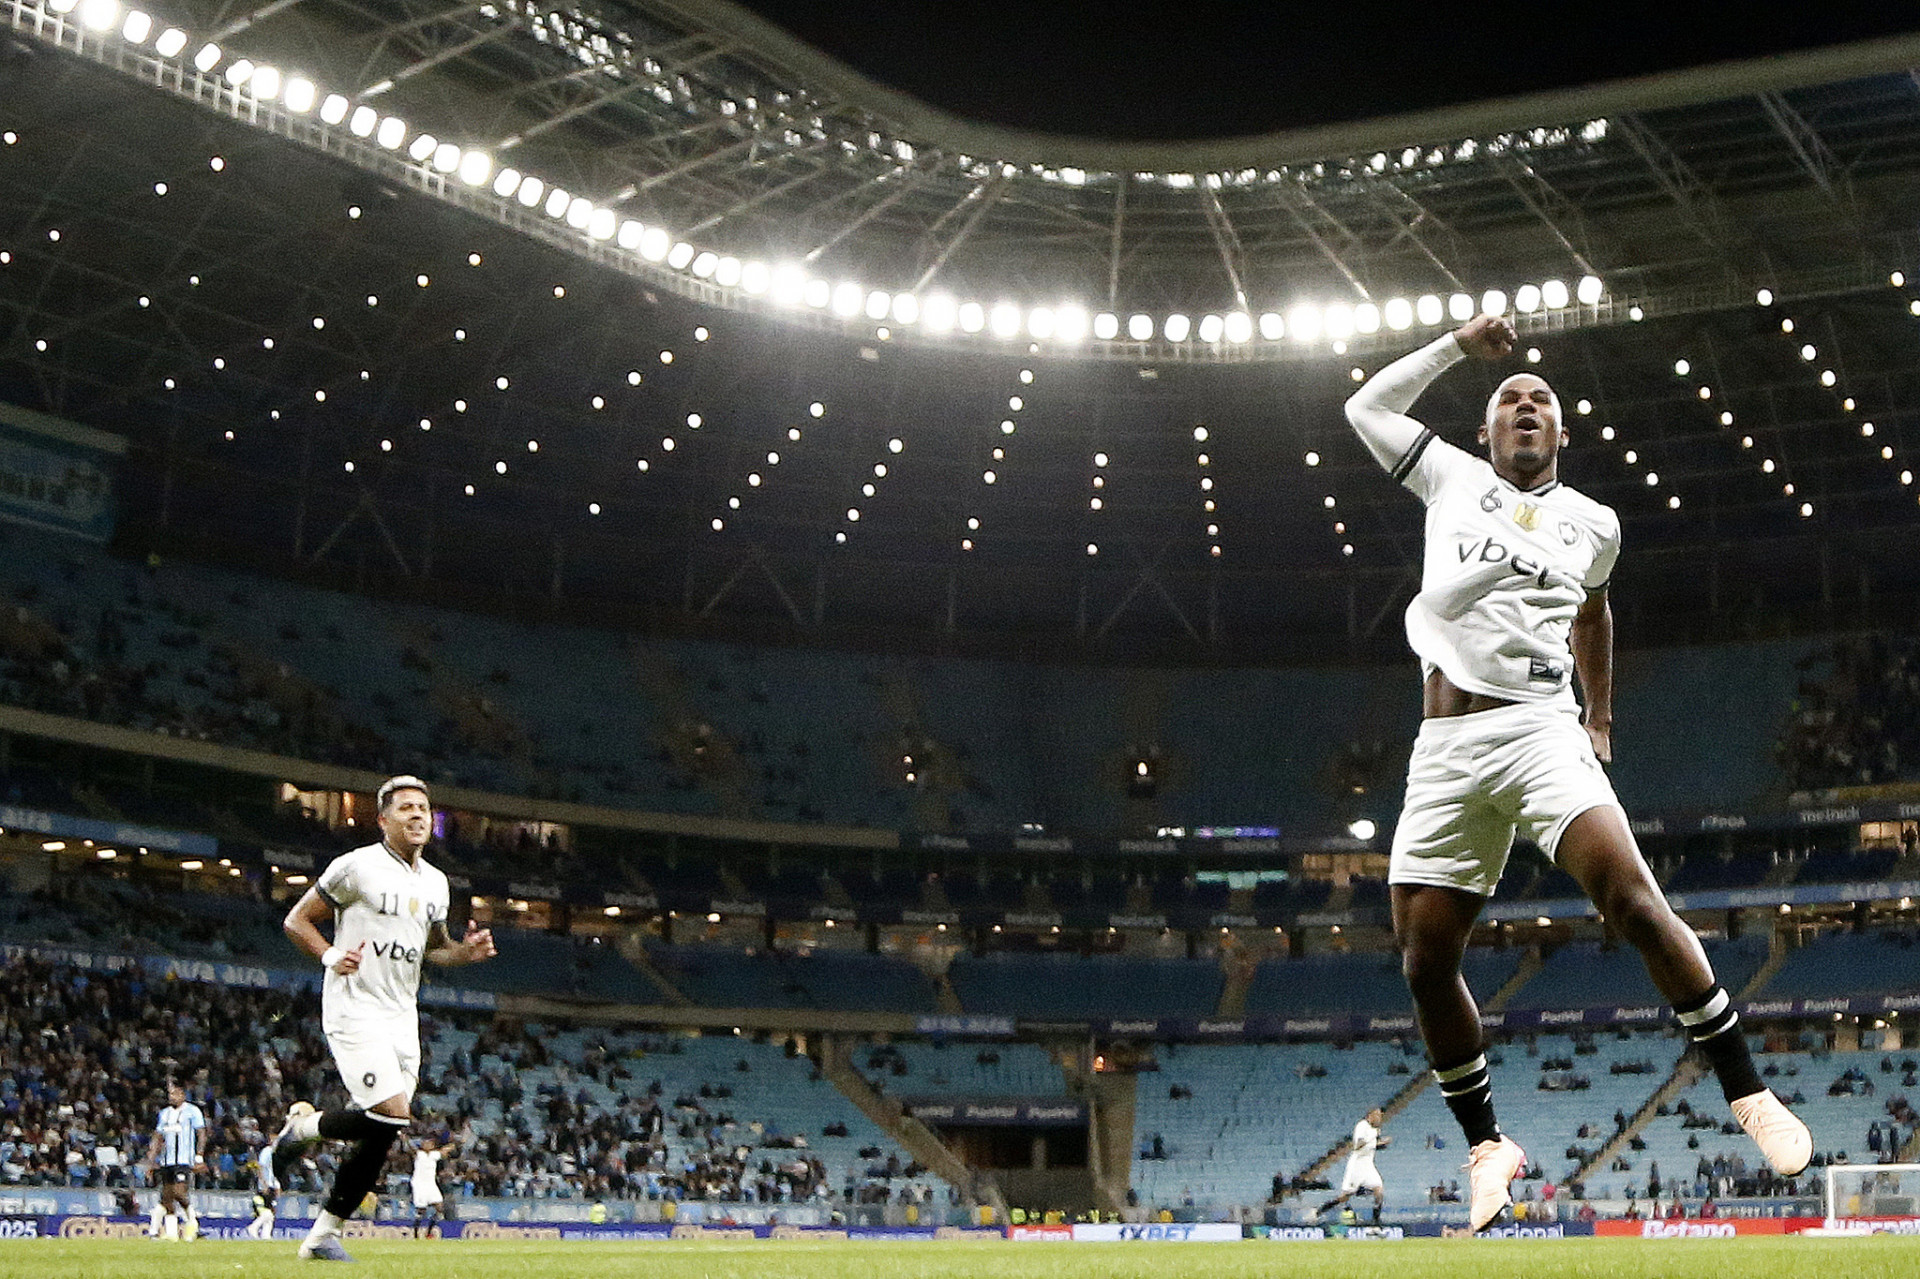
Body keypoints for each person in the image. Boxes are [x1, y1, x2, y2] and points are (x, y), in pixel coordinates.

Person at [1343, 315, 1811, 1233]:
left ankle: (1749, 1093)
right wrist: (1452, 346)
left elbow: (1594, 614)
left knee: (1632, 900)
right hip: (1443, 749)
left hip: (1537, 729)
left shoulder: (1594, 522)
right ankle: (1488, 1145)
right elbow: (1365, 404)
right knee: (1424, 959)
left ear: (1561, 434)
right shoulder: (1451, 477)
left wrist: (1598, 717)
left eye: (1541, 401)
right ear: (1483, 432)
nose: (1525, 404)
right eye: (1510, 399)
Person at [270, 775, 496, 1261]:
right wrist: (330, 956)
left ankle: (321, 1234)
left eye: (424, 808)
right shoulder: (356, 867)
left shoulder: (436, 883)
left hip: (401, 1014)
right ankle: (304, 1139)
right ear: (383, 820)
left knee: (385, 1128)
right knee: (390, 1112)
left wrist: (467, 954)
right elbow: (296, 919)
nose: (418, 815)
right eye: (407, 808)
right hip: (355, 1006)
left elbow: (436, 951)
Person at [145, 1082, 205, 1241]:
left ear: (183, 1095)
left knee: (178, 1192)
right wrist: (151, 1160)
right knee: (166, 1198)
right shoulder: (164, 1114)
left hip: (184, 1161)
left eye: (175, 1094)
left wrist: (199, 1155)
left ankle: (193, 1224)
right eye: (170, 1094)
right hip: (166, 1161)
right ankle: (170, 1234)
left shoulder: (193, 1111)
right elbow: (158, 1137)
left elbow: (201, 1133)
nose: (171, 1097)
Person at [1318, 1107, 1389, 1223]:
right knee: (1345, 1196)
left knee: (1379, 1190)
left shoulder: (1372, 1129)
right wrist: (1373, 1135)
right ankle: (1322, 1209)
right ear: (1369, 1115)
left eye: (1380, 1116)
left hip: (1368, 1164)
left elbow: (1371, 1145)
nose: (1379, 1118)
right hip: (1357, 1165)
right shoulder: (1362, 1126)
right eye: (1377, 1115)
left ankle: (1376, 1221)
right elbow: (1358, 1145)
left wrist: (1382, 1142)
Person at [411, 1138, 444, 1238]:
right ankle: (416, 1234)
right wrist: (406, 1140)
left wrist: (455, 1143)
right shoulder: (419, 1154)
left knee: (439, 1207)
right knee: (421, 1210)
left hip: (431, 1183)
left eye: (429, 1143)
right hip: (419, 1184)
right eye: (424, 1143)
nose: (426, 1145)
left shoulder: (435, 1155)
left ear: (433, 1145)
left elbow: (444, 1152)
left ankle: (429, 1232)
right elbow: (411, 1150)